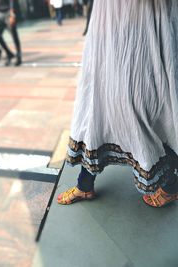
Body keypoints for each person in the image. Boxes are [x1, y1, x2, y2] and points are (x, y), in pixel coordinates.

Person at [57, 0, 178, 208]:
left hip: (146, 25)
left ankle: (171, 185)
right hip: (108, 23)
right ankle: (85, 183)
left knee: (147, 105)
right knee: (96, 106)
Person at [0, 0, 22, 66]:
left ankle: (19, 56)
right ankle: (9, 53)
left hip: (7, 12)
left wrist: (12, 14)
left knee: (13, 35)